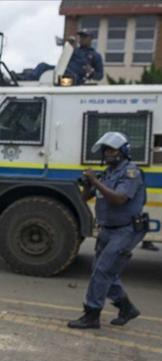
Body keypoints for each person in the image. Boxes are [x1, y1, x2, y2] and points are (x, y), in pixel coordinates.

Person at [68, 132, 145, 329]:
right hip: (108, 229)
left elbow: (119, 199)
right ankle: (126, 308)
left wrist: (95, 181)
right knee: (102, 271)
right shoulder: (108, 173)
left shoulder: (131, 172)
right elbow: (84, 199)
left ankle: (92, 314)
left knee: (102, 271)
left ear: (123, 151)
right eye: (105, 151)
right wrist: (87, 186)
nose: (108, 154)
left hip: (126, 230)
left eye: (112, 150)